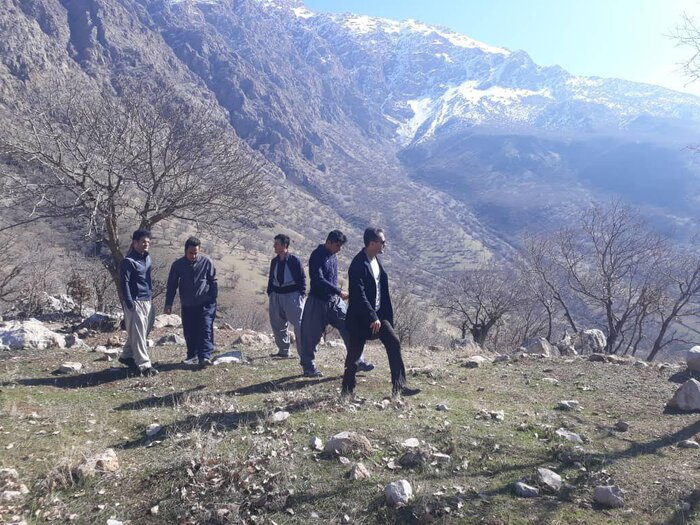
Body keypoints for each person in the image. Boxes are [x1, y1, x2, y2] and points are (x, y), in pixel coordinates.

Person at [342, 227, 420, 397]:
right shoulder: (358, 264)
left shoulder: (375, 260)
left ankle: (399, 387)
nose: (385, 244)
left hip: (378, 316)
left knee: (394, 342)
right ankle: (347, 391)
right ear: (372, 243)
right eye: (382, 242)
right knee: (354, 355)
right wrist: (372, 316)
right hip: (360, 318)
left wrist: (380, 316)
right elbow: (359, 295)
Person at [298, 230, 375, 377]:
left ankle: (357, 361)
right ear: (329, 242)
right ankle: (308, 367)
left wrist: (338, 294)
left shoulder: (333, 255)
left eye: (340, 246)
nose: (339, 249)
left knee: (351, 327)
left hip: (334, 301)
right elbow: (318, 279)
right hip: (317, 301)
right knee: (311, 335)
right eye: (337, 245)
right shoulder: (317, 255)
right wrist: (339, 292)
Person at [164, 237, 218, 368]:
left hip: (205, 302)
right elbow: (172, 285)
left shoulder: (206, 262)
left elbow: (213, 281)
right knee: (189, 331)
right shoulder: (177, 265)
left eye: (196, 253)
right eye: (190, 253)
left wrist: (213, 298)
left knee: (205, 328)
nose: (193, 256)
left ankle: (205, 356)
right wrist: (168, 304)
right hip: (188, 304)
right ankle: (192, 356)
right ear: (185, 251)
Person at [118, 229, 158, 377]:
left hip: (147, 300)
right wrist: (129, 303)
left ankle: (126, 356)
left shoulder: (147, 258)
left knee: (141, 331)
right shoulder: (128, 262)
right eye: (143, 242)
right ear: (135, 243)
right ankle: (145, 365)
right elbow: (124, 283)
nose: (146, 244)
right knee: (139, 334)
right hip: (135, 301)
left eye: (148, 242)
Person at [267, 234, 306, 358]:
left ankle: (304, 354)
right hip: (276, 296)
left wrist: (301, 294)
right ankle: (283, 351)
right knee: (277, 325)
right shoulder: (274, 261)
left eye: (277, 244)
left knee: (299, 325)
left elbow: (302, 278)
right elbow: (271, 278)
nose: (274, 246)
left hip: (292, 296)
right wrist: (270, 292)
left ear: (285, 245)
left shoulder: (294, 260)